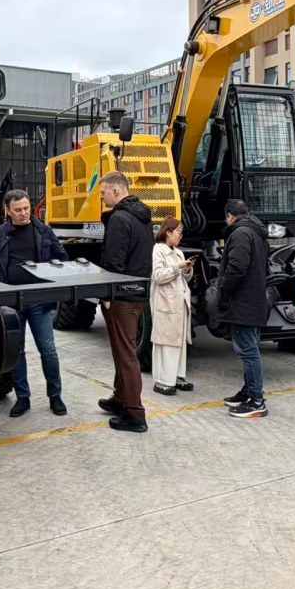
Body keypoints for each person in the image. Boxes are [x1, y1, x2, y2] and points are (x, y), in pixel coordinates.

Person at [0, 188, 68, 418]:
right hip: (10, 303)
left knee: (48, 350)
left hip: (39, 302)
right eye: (18, 210)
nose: (24, 213)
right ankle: (22, 398)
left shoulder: (43, 231)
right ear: (8, 211)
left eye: (26, 208)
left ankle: (55, 397)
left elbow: (62, 259)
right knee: (16, 352)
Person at [97, 171, 154, 432]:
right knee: (124, 350)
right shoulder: (143, 216)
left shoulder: (119, 219)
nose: (101, 197)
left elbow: (113, 263)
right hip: (138, 292)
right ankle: (120, 398)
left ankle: (134, 414)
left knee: (126, 354)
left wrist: (107, 296)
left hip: (121, 296)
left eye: (103, 193)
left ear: (117, 191)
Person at [216, 199, 270, 418]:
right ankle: (248, 392)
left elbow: (236, 268)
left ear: (230, 216)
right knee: (248, 349)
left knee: (248, 352)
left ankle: (257, 401)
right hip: (253, 300)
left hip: (243, 302)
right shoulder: (256, 232)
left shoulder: (240, 234)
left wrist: (223, 291)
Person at [150, 217, 194, 395]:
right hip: (165, 302)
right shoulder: (157, 250)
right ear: (168, 232)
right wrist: (178, 267)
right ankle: (162, 381)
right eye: (178, 233)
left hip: (180, 302)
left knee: (180, 341)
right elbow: (158, 276)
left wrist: (188, 270)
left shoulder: (178, 252)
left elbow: (184, 278)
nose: (180, 237)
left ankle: (177, 376)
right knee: (165, 342)